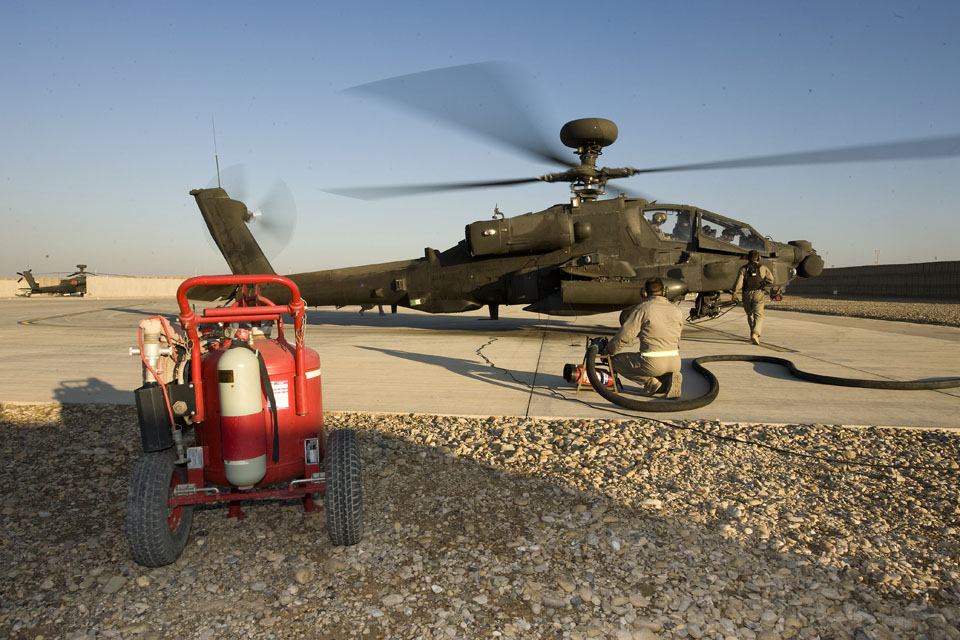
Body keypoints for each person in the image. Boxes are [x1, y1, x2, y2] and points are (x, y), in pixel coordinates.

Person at [600, 277, 684, 398]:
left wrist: (608, 351)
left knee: (615, 362)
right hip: (675, 363)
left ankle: (651, 383)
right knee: (656, 364)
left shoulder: (643, 309)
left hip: (653, 364)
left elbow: (624, 336)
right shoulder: (677, 310)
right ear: (665, 291)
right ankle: (669, 379)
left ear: (644, 292)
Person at [733, 249, 775, 345]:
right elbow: (771, 280)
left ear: (748, 258)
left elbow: (738, 284)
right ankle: (755, 333)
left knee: (750, 315)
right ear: (759, 258)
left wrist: (734, 294)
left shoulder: (743, 269)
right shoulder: (763, 268)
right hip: (758, 293)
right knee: (758, 315)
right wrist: (763, 283)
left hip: (746, 294)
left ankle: (752, 332)